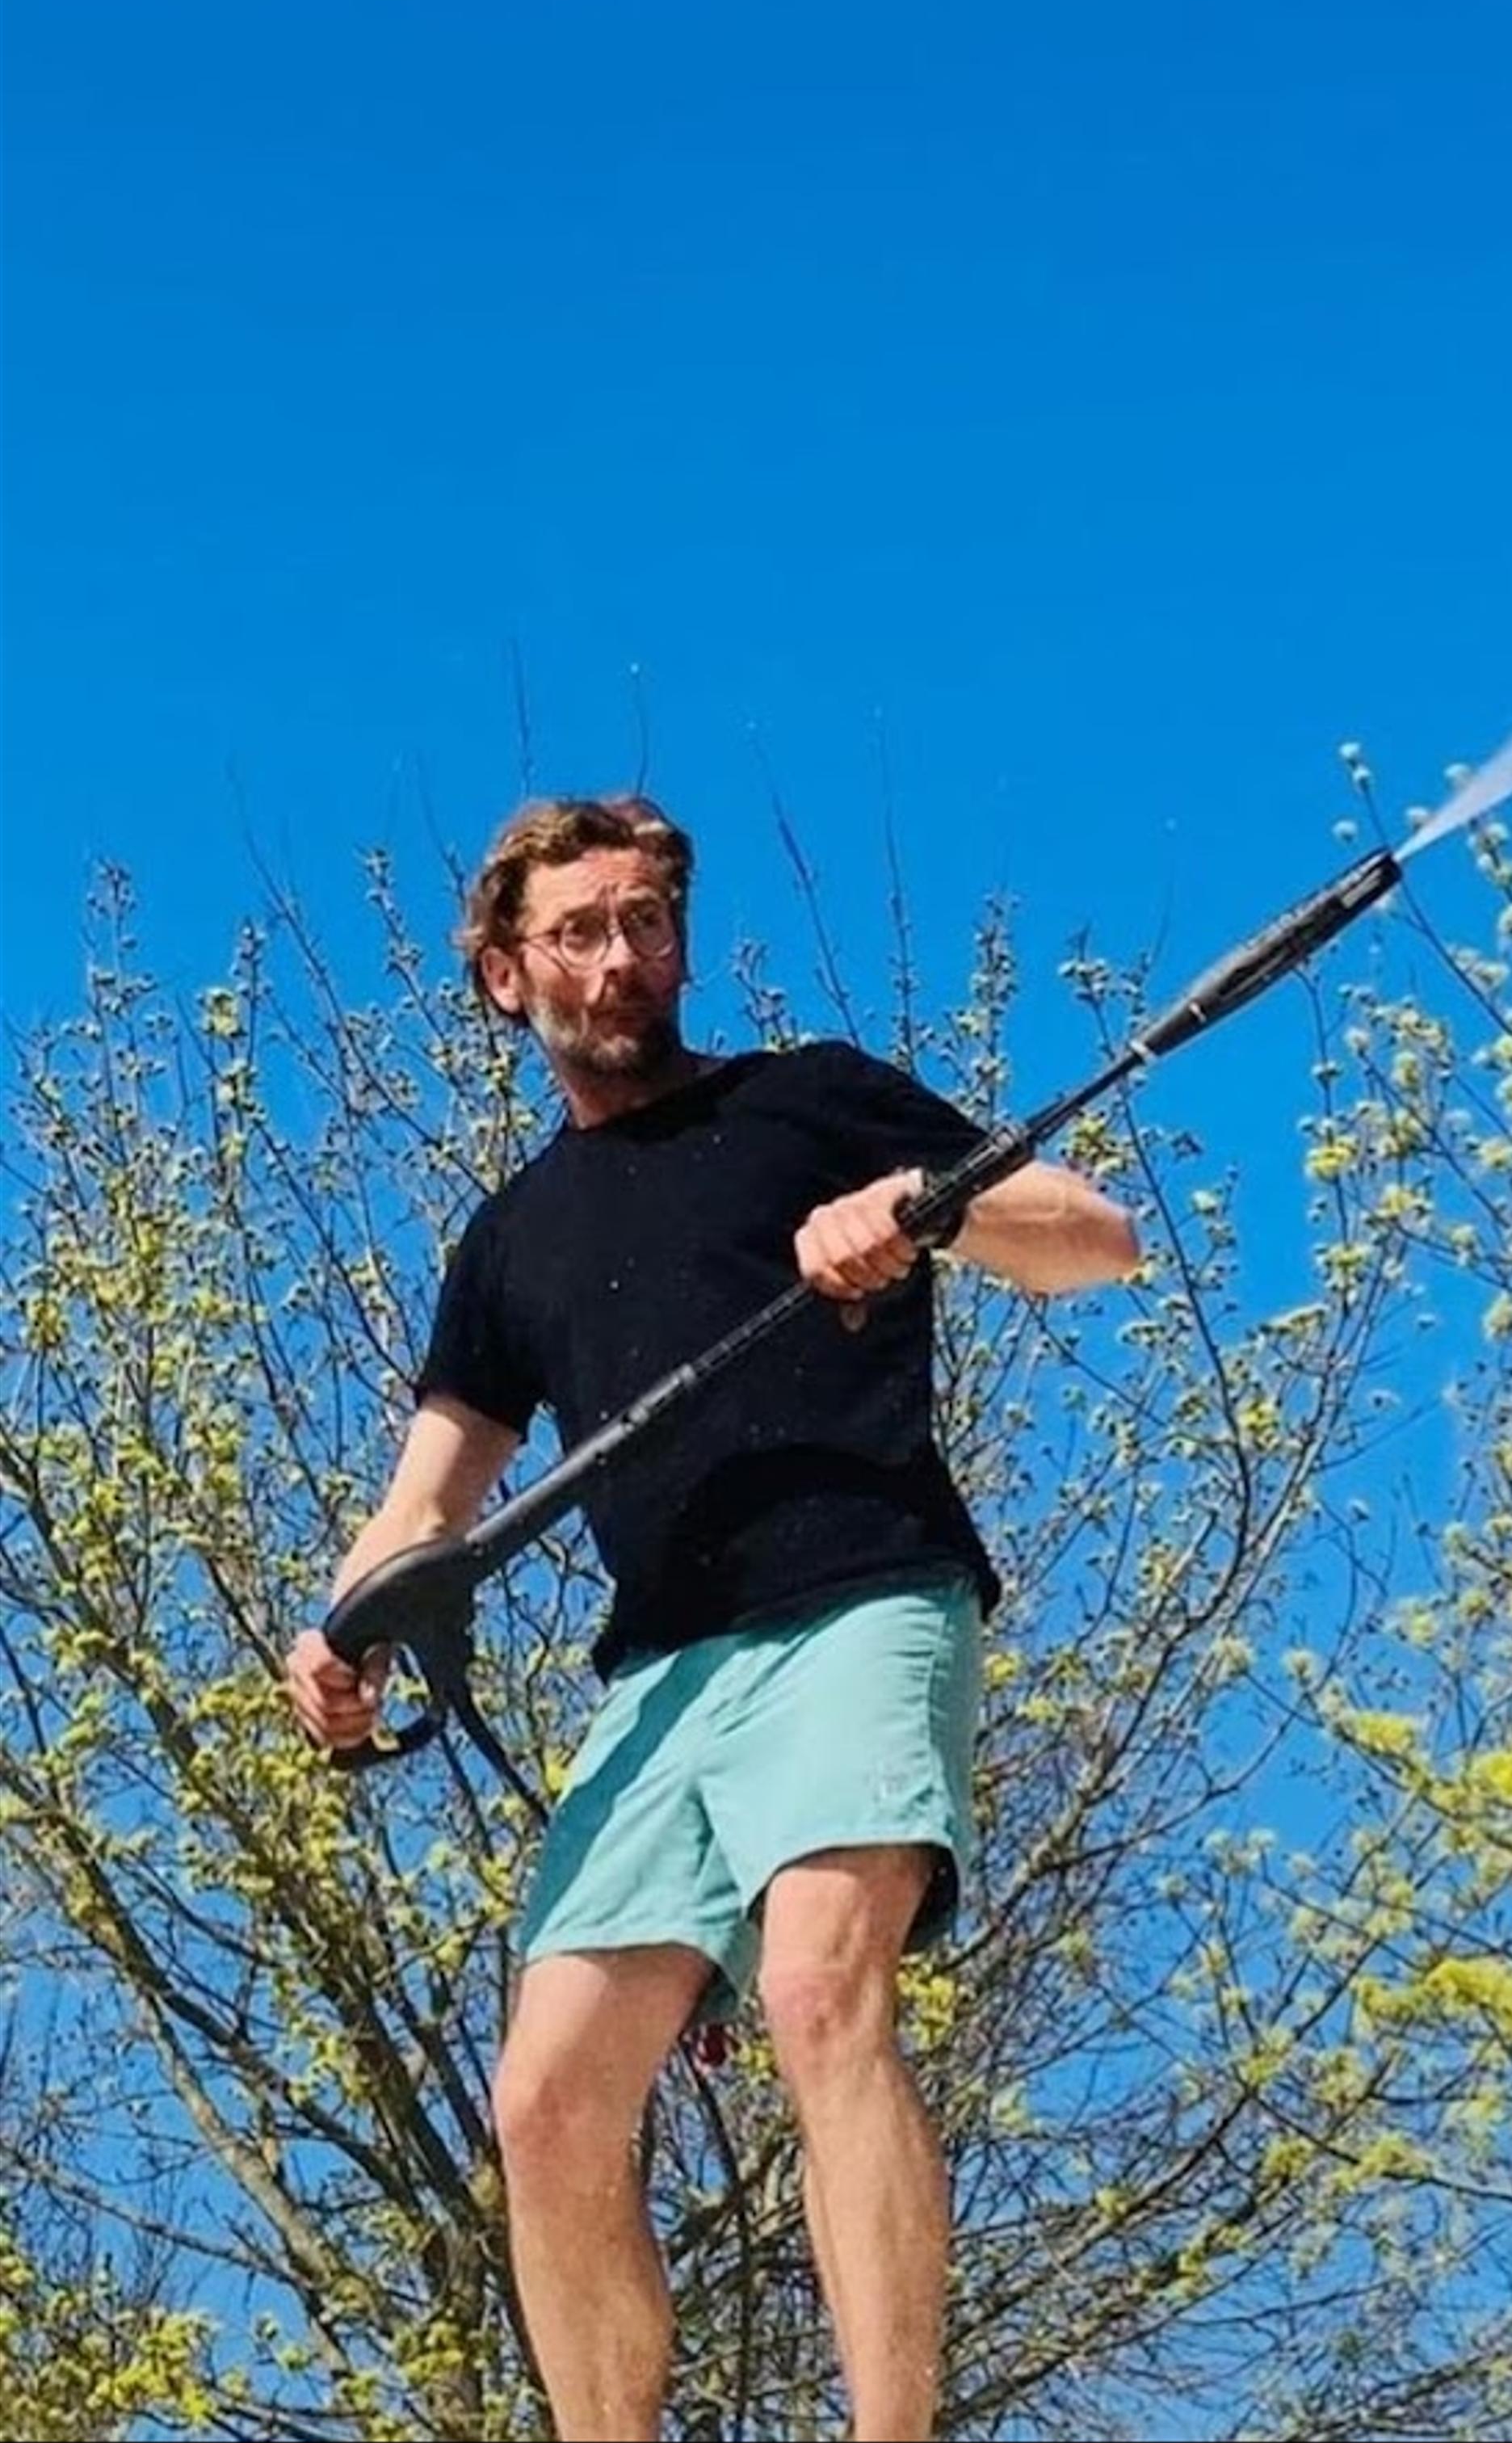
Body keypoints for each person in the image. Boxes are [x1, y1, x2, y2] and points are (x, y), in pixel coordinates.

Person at [283, 791, 1139, 2443]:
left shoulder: (807, 1099)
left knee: (820, 1986)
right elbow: (427, 1498)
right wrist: (339, 1629)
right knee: (545, 2098)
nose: (622, 958)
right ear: (505, 975)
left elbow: (1092, 1238)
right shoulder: (511, 1241)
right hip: (662, 1675)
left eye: (647, 921)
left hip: (857, 1596)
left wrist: (922, 1205)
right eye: (581, 931)